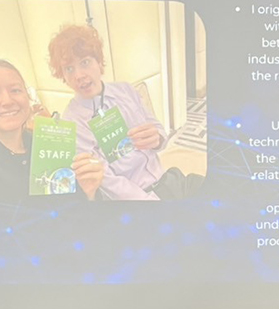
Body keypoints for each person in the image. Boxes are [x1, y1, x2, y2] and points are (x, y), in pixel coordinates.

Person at [47, 24, 203, 201]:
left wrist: (157, 138)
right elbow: (109, 183)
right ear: (63, 76)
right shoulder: (71, 124)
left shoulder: (126, 90)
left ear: (99, 62)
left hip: (170, 179)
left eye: (85, 62)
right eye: (69, 68)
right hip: (141, 198)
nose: (79, 75)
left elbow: (158, 131)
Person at [0, 58, 103, 202]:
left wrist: (88, 192)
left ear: (27, 98)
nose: (7, 101)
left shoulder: (47, 145)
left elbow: (73, 212)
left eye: (15, 90)